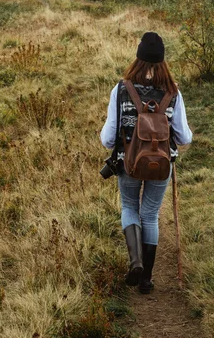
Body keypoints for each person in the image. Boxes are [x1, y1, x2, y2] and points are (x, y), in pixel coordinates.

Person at [100, 32, 192, 293]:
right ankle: (146, 280)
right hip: (162, 165)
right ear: (163, 61)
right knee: (150, 214)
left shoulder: (121, 90)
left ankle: (135, 261)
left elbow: (108, 139)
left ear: (137, 58)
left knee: (129, 206)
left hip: (128, 164)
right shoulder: (173, 93)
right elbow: (184, 136)